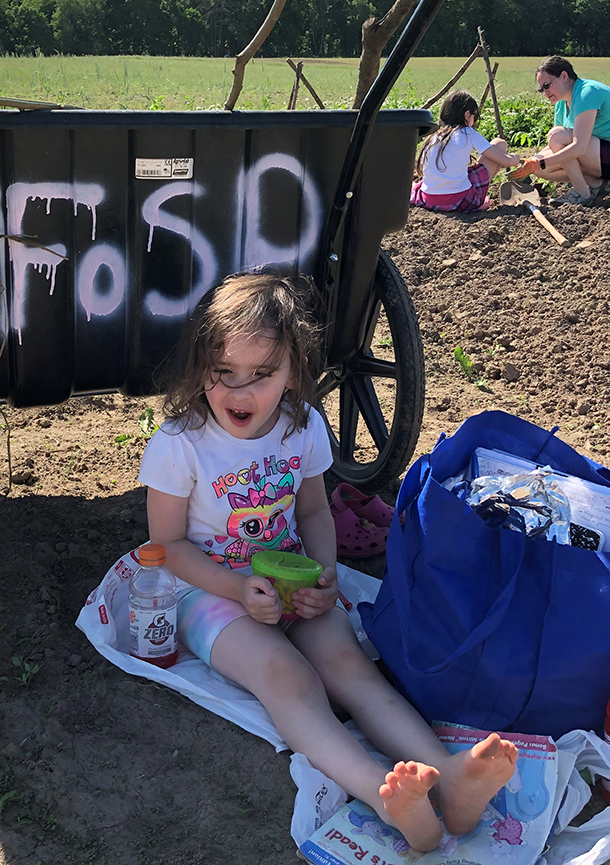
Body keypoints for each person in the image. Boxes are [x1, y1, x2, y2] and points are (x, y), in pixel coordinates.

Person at [139, 270, 518, 852]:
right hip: (206, 590)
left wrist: (324, 571)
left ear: (293, 372)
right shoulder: (179, 443)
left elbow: (315, 512)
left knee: (348, 665)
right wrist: (238, 589)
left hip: (287, 573)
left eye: (262, 375)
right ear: (201, 366)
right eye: (224, 373)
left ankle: (451, 777)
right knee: (285, 676)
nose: (240, 393)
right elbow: (169, 547)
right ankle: (385, 796)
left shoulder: (303, 427)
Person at [511, 56, 610, 206]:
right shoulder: (562, 104)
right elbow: (554, 146)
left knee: (556, 138)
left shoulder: (587, 92)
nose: (545, 92)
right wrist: (531, 164)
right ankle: (596, 185)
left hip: (602, 152)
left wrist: (540, 163)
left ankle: (583, 193)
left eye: (546, 85)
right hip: (598, 156)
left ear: (564, 76)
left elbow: (579, 146)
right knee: (541, 169)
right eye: (541, 89)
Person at [411, 89, 520, 212]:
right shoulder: (468, 132)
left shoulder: (433, 137)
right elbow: (507, 161)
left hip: (429, 200)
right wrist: (515, 158)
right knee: (499, 144)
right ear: (467, 115)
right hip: (459, 200)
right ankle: (478, 200)